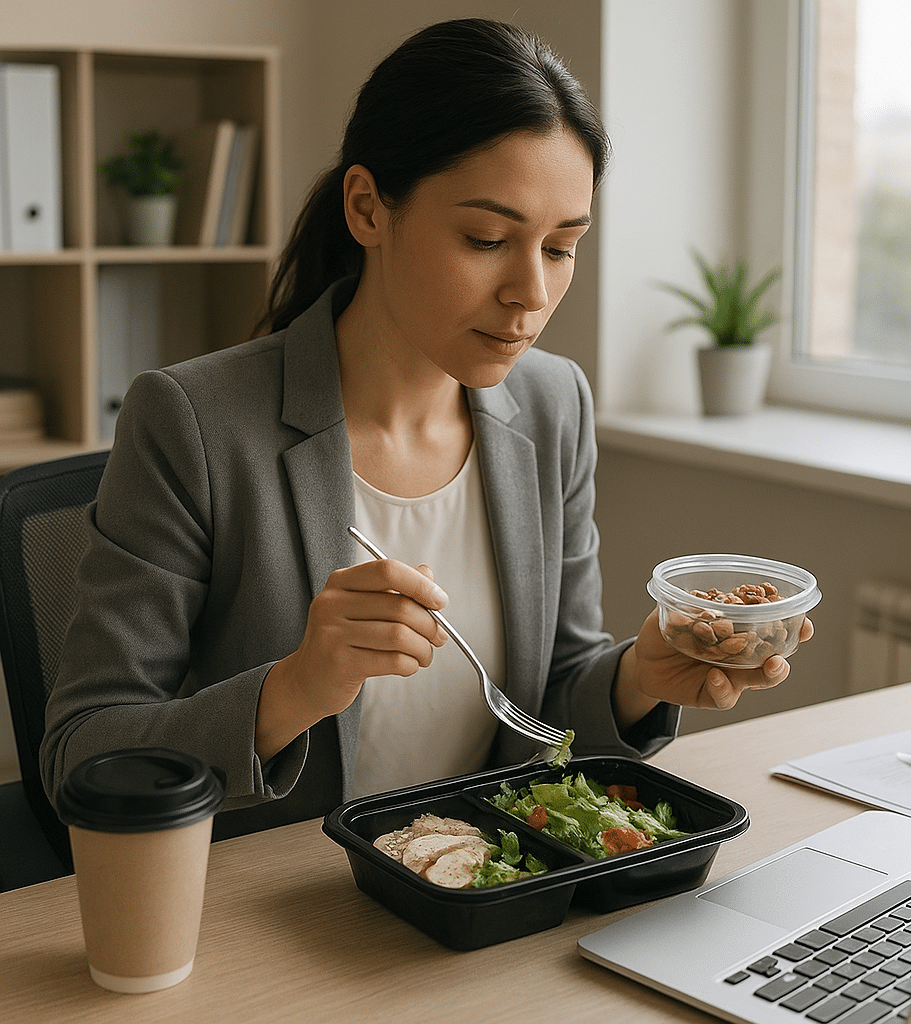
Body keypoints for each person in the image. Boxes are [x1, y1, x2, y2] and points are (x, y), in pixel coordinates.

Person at [41, 18, 811, 838]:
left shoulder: (554, 405)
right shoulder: (192, 423)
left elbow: (548, 701)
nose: (531, 293)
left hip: (477, 894)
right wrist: (296, 687)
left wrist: (637, 678)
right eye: (487, 239)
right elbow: (82, 756)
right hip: (270, 918)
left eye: (560, 248)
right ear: (369, 208)